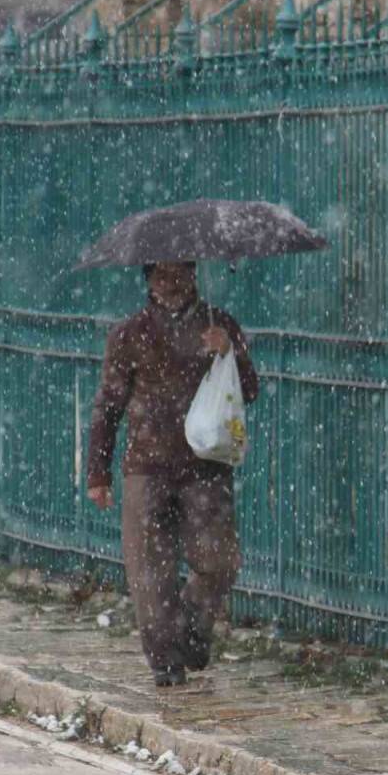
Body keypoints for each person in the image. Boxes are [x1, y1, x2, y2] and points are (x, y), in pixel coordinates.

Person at [87, 261, 260, 687]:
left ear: (194, 273)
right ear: (147, 281)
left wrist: (228, 353)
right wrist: (98, 472)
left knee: (220, 561)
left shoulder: (220, 324)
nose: (170, 284)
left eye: (178, 274)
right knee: (150, 570)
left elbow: (249, 390)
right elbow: (109, 405)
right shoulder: (128, 334)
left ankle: (191, 633)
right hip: (146, 465)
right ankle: (166, 660)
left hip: (206, 465)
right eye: (159, 276)